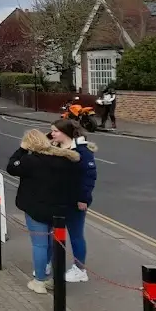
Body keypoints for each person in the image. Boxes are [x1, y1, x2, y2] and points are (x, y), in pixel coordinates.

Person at [6, 129, 82, 295]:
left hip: (36, 209)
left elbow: (11, 167)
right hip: (60, 209)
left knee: (40, 245)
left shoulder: (29, 160)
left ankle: (39, 281)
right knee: (56, 245)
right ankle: (55, 280)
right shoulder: (65, 160)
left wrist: (21, 149)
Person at [49, 118, 97, 283]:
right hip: (55, 199)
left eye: (55, 131)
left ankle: (80, 269)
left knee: (76, 235)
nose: (52, 134)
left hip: (75, 201)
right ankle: (50, 263)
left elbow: (89, 176)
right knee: (52, 233)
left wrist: (83, 198)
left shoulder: (83, 151)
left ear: (66, 133)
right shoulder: (53, 148)